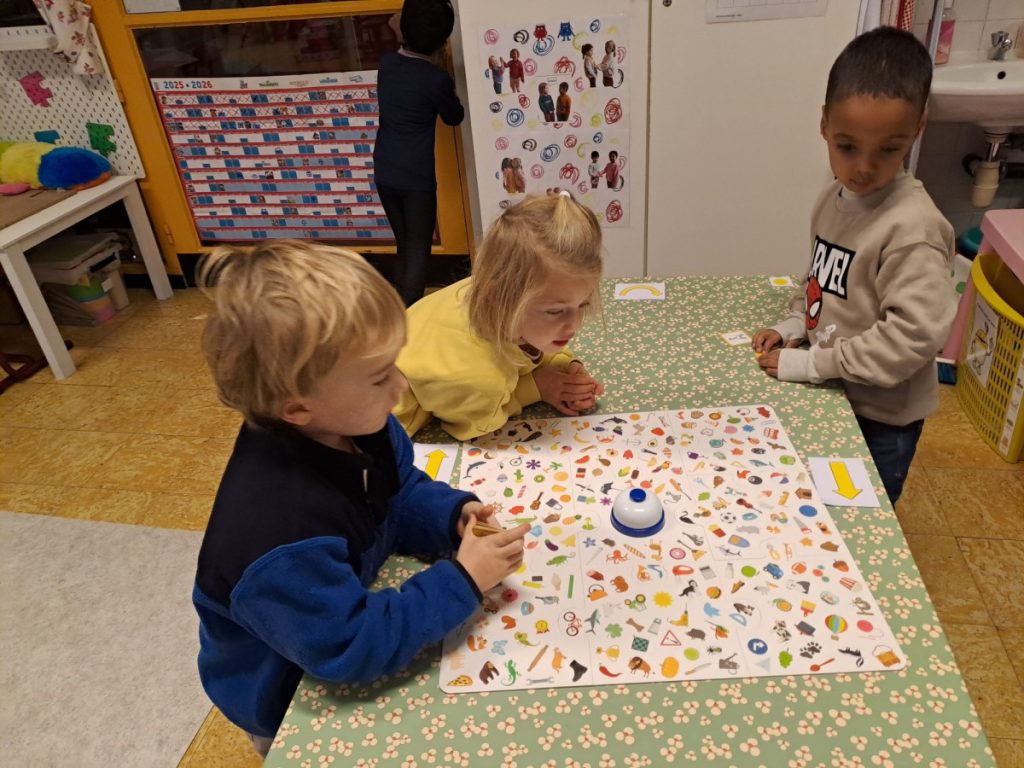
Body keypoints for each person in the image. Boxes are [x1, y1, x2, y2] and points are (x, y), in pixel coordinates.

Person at [192, 240, 529, 757]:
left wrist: (451, 515)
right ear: (296, 408)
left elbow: (399, 490)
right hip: (284, 696)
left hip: (339, 607)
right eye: (379, 376)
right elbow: (349, 645)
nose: (402, 385)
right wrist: (462, 579)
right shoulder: (278, 537)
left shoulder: (356, 425)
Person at [752, 27, 954, 504]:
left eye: (887, 149)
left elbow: (911, 339)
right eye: (847, 147)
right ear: (824, 124)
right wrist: (794, 324)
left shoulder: (914, 229)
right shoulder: (833, 197)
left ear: (918, 128)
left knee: (859, 516)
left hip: (882, 418)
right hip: (834, 392)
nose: (863, 168)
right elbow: (822, 281)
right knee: (815, 505)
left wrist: (811, 363)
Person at [394, 192, 606, 440]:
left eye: (582, 304)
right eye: (555, 311)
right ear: (500, 297)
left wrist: (566, 365)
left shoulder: (490, 292)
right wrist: (537, 387)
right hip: (381, 423)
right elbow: (476, 424)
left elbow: (529, 341)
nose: (575, 325)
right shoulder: (481, 378)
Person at [373, 0, 464, 306]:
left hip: (385, 169)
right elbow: (454, 116)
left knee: (404, 243)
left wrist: (406, 26)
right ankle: (408, 312)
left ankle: (398, 304)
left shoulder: (387, 65)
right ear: (442, 41)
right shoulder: (435, 79)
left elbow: (394, 21)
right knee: (418, 248)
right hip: (416, 178)